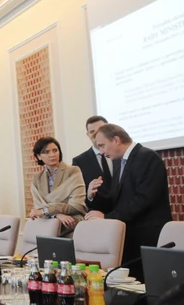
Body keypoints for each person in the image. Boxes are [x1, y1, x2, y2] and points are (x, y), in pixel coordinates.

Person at [85, 124, 172, 279]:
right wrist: (92, 196)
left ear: (116, 140)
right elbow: (116, 200)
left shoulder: (147, 157)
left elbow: (143, 199)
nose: (102, 152)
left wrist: (107, 217)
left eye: (102, 146)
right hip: (129, 237)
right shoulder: (119, 162)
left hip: (148, 237)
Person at [28, 137, 86, 230]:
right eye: (46, 152)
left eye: (55, 150)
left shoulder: (73, 171)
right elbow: (38, 209)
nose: (52, 155)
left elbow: (77, 206)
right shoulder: (37, 178)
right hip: (46, 225)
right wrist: (57, 215)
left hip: (71, 224)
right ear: (39, 156)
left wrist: (46, 211)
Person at [72, 116, 113, 197]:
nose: (96, 134)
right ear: (88, 135)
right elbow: (78, 195)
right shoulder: (79, 162)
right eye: (92, 132)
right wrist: (89, 196)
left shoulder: (119, 154)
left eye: (100, 130)